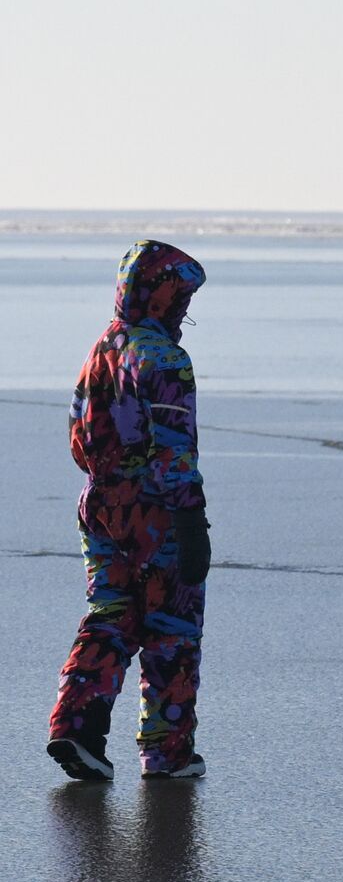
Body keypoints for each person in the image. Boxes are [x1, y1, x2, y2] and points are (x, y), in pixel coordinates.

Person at [48, 241, 211, 781]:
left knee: (111, 610)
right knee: (173, 624)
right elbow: (174, 446)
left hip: (99, 502)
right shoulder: (163, 357)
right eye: (182, 297)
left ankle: (77, 727)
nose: (186, 310)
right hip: (155, 508)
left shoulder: (104, 346)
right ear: (164, 297)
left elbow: (78, 431)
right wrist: (190, 521)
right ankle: (167, 751)